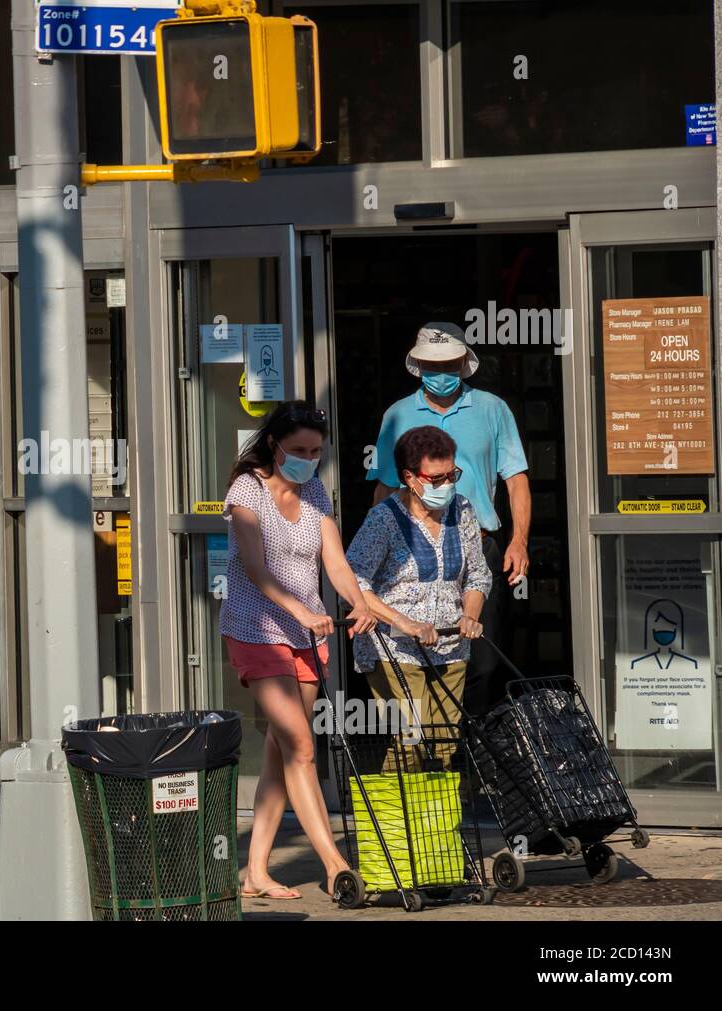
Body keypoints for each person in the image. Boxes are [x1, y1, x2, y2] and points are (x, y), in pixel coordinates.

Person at [221, 400, 377, 900]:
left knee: (280, 753)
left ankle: (256, 872)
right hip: (257, 627)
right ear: (274, 444)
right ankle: (335, 865)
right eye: (299, 450)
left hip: (308, 635)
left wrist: (358, 603)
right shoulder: (248, 490)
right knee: (302, 749)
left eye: (316, 450)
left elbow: (335, 560)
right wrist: (302, 610)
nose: (308, 459)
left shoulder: (314, 492)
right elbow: (256, 569)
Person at [367, 322, 530, 715]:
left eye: (449, 364)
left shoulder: (493, 409)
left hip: (477, 545)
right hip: (410, 549)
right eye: (431, 365)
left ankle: (468, 748)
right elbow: (386, 488)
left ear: (464, 362)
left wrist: (519, 541)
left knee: (482, 658)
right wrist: (375, 552)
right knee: (417, 654)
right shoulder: (397, 414)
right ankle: (439, 753)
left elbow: (517, 479)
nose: (440, 374)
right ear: (417, 365)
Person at [347, 426, 492, 761]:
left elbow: (478, 575)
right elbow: (355, 582)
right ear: (410, 478)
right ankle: (394, 814)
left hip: (451, 645)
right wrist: (406, 623)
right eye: (436, 478)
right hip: (396, 648)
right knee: (411, 742)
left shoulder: (463, 510)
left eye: (452, 475)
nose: (447, 485)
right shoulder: (383, 519)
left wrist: (470, 616)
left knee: (444, 744)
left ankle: (437, 814)